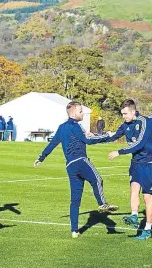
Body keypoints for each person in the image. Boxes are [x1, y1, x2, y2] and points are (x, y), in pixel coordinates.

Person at [34, 101, 119, 238]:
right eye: (80, 111)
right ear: (73, 113)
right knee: (97, 179)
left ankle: (74, 231)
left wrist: (41, 158)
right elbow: (89, 141)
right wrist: (107, 136)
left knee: (75, 200)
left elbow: (52, 144)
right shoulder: (76, 126)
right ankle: (102, 204)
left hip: (70, 167)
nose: (83, 114)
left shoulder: (61, 128)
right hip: (81, 161)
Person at [108, 99, 152, 240]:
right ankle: (134, 216)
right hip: (136, 163)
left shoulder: (144, 122)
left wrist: (119, 152)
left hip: (150, 162)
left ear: (133, 111)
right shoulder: (125, 125)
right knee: (134, 189)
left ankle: (148, 230)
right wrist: (92, 137)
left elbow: (139, 144)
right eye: (122, 114)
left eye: (125, 114)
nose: (123, 117)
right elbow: (113, 136)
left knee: (147, 197)